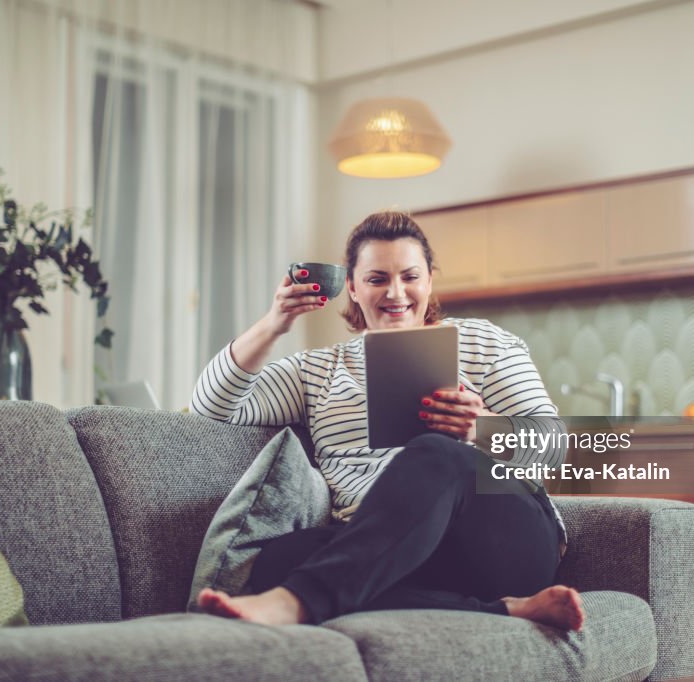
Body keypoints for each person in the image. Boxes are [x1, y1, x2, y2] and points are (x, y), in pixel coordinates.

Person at [190, 211, 583, 630]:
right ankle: (505, 611)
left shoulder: (484, 343)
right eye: (377, 279)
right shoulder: (316, 371)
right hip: (385, 556)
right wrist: (273, 325)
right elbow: (211, 408)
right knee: (277, 560)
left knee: (437, 452)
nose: (396, 293)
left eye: (410, 276)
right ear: (354, 289)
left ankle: (300, 601)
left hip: (497, 539)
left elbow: (553, 446)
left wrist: (480, 427)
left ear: (429, 280)